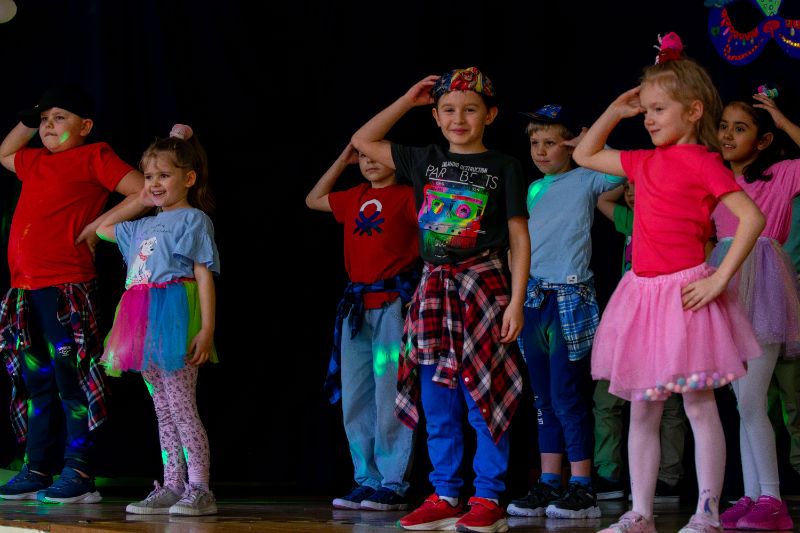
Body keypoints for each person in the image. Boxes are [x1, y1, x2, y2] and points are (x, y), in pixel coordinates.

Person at [573, 32, 764, 533]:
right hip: (642, 295)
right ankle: (640, 512)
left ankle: (707, 511)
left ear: (694, 111)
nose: (649, 118)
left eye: (659, 109)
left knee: (699, 404)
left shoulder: (703, 162)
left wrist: (719, 279)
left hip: (685, 295)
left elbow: (751, 218)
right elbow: (585, 155)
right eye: (647, 110)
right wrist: (616, 111)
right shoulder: (643, 161)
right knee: (642, 408)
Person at [352, 66, 530, 533]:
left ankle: (487, 498)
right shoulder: (425, 160)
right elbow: (363, 140)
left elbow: (518, 236)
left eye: (470, 110)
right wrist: (406, 101)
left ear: (490, 114)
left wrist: (516, 301)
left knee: (484, 395)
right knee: (438, 401)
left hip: (483, 289)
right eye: (448, 110)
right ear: (435, 116)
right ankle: (446, 493)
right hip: (434, 292)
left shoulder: (505, 166)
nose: (458, 119)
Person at [0, 84, 144, 503]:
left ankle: (79, 472)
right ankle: (36, 468)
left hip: (65, 290)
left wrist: (99, 227)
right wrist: (32, 117)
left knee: (71, 379)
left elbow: (142, 191)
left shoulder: (94, 156)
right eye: (43, 120)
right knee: (36, 381)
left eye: (59, 117)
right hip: (25, 292)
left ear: (85, 126)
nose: (48, 125)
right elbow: (5, 152)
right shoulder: (34, 161)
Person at [506, 104, 623, 520]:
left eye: (551, 143)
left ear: (570, 145)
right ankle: (549, 481)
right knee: (543, 398)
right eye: (535, 143)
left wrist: (589, 142)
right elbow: (519, 242)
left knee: (567, 394)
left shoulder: (587, 177)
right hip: (533, 298)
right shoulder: (534, 189)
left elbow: (623, 171)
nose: (540, 151)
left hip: (569, 299)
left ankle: (582, 486)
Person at [95, 124, 220, 516]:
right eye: (149, 176)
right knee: (163, 409)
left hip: (174, 318)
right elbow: (102, 228)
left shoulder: (193, 220)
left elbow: (203, 275)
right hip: (141, 320)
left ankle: (200, 488)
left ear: (189, 178)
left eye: (164, 175)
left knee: (182, 407)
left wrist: (207, 328)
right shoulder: (141, 225)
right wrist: (139, 197)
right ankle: (172, 484)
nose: (155, 183)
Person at [305, 142, 419, 511]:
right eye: (364, 157)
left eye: (377, 155)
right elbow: (313, 199)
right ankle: (366, 478)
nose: (369, 163)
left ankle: (393, 482)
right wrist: (342, 160)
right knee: (356, 396)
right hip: (356, 309)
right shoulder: (355, 196)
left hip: (391, 305)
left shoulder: (409, 196)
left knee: (390, 393)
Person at [708, 88, 799, 530]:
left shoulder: (781, 174)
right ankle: (750, 494)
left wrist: (782, 122)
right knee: (742, 401)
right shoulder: (714, 180)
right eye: (724, 126)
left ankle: (772, 499)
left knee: (751, 400)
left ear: (763, 140)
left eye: (740, 129)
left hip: (763, 289)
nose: (727, 135)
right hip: (724, 288)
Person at [593, 182, 688, 503]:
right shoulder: (630, 219)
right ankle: (608, 474)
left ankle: (668, 478)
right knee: (608, 397)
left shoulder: (673, 220)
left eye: (640, 186)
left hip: (662, 318)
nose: (631, 193)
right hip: (626, 319)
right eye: (628, 188)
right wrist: (629, 179)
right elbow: (603, 199)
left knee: (668, 401)